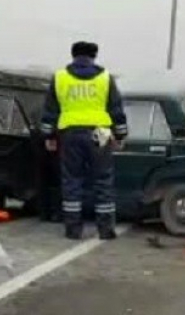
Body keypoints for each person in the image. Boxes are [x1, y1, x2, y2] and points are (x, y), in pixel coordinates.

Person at [40, 41, 128, 240]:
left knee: (72, 181)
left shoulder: (60, 77)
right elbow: (116, 109)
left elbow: (50, 111)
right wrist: (120, 135)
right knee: (103, 180)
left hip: (70, 133)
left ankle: (73, 229)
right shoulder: (106, 78)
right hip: (100, 133)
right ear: (94, 56)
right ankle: (106, 230)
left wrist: (49, 136)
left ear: (73, 55)